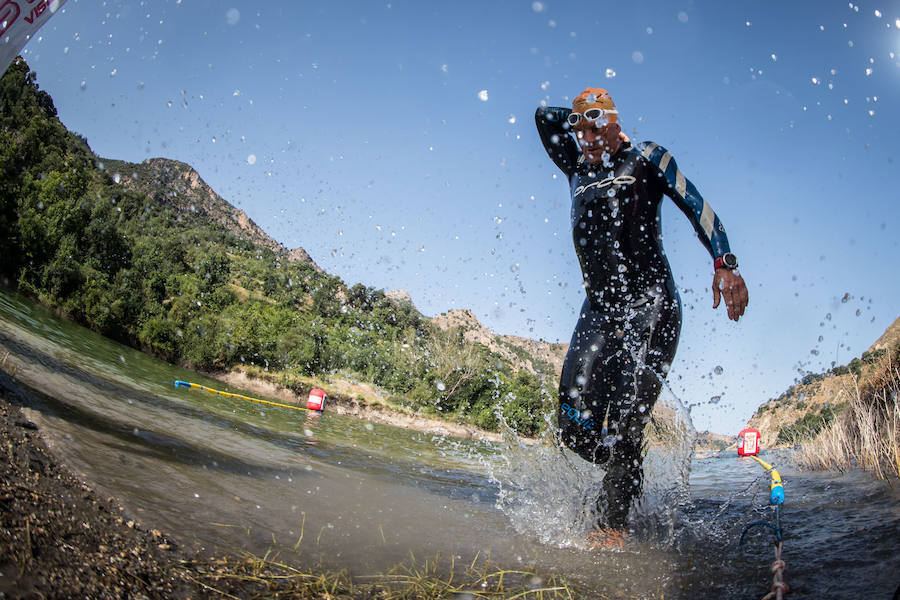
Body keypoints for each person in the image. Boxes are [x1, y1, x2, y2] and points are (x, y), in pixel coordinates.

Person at [535, 88, 748, 537]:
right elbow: (542, 116)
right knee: (573, 427)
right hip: (599, 311)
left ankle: (608, 527)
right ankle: (627, 474)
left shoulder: (648, 157)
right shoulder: (575, 167)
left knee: (629, 419)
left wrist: (724, 263)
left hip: (651, 307)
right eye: (581, 129)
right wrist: (577, 116)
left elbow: (698, 206)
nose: (588, 138)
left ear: (615, 122)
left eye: (597, 126)